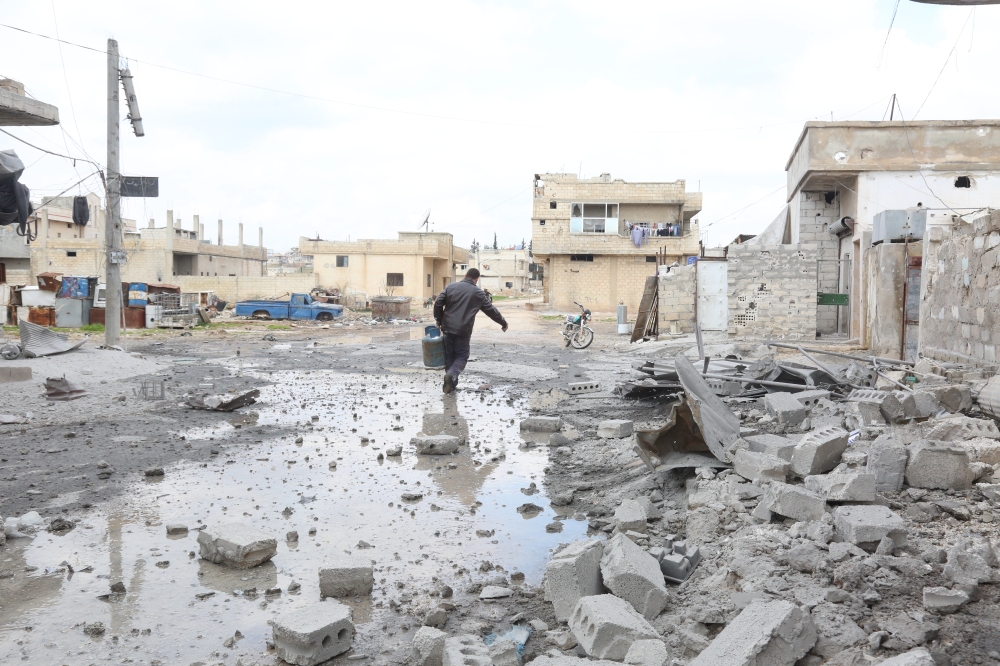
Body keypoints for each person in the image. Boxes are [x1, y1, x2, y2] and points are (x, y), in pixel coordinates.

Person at [433, 268, 508, 393]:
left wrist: (439, 320)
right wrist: (503, 323)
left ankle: (451, 384)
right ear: (476, 279)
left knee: (449, 356)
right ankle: (451, 377)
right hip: (463, 330)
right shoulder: (478, 293)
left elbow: (438, 303)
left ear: (465, 275)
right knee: (462, 356)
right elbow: (491, 311)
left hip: (447, 328)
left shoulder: (450, 287)